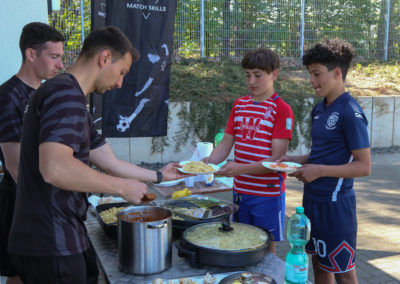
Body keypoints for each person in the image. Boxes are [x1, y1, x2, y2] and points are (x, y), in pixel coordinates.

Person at [7, 26, 186, 284]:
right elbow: (55, 167)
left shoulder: (71, 97)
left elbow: (109, 161)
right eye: (122, 72)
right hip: (51, 240)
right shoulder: (64, 95)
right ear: (104, 58)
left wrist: (159, 175)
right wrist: (122, 188)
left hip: (57, 236)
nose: (120, 82)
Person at [284, 39, 371, 284]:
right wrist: (293, 160)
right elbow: (320, 154)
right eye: (309, 74)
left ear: (336, 73)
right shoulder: (319, 110)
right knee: (319, 266)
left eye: (316, 74)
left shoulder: (350, 113)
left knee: (343, 270)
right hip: (310, 203)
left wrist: (319, 171)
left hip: (336, 207)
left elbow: (364, 166)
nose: (311, 80)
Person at [203, 48, 294, 254]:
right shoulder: (239, 105)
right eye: (247, 75)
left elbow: (276, 160)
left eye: (258, 75)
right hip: (241, 193)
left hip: (267, 195)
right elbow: (226, 144)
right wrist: (208, 162)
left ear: (274, 74)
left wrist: (240, 169)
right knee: (242, 243)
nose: (252, 81)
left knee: (265, 249)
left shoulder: (282, 109)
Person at [0, 22, 65, 284]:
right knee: (20, 277)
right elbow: (15, 167)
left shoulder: (45, 94)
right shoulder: (8, 97)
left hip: (44, 201)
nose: (60, 65)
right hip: (20, 204)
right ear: (30, 54)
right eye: (54, 57)